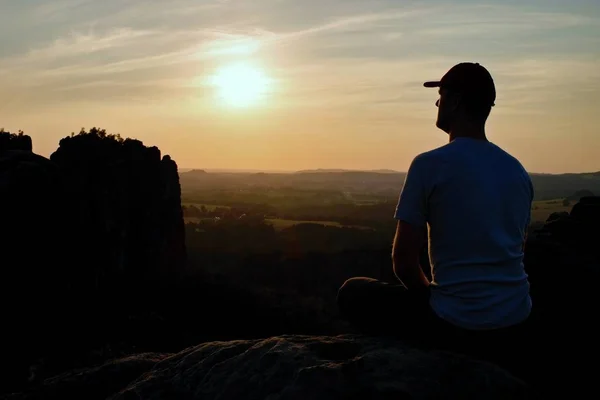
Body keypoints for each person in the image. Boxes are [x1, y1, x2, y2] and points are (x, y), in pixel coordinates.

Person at [336, 62, 534, 368]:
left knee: (352, 292)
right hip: (516, 320)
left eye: (440, 95)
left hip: (454, 324)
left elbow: (403, 262)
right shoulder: (518, 171)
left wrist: (432, 297)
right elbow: (515, 250)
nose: (437, 103)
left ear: (454, 101)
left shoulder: (429, 165)